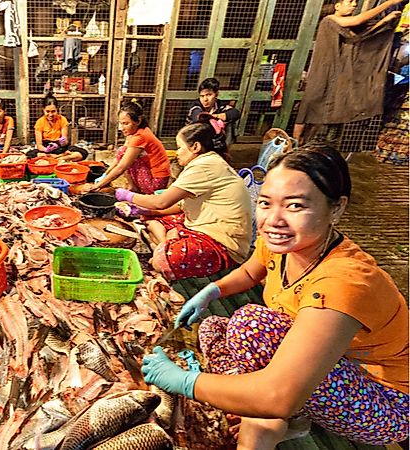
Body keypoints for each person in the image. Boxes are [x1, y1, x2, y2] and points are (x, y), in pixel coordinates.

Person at [141, 145, 409, 448]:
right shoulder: (284, 242)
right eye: (266, 203)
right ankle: (272, 407)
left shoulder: (344, 281)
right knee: (212, 326)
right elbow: (251, 273)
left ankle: (269, 416)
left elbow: (277, 396)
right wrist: (212, 291)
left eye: (295, 206)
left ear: (336, 208)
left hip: (382, 400)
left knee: (250, 325)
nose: (274, 220)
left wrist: (186, 383)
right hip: (324, 365)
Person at [113, 118, 251, 280]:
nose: (177, 152)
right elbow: (180, 205)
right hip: (202, 224)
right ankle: (167, 240)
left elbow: (161, 202)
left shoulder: (204, 166)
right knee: (149, 216)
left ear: (196, 147)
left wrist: (129, 196)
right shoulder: (209, 162)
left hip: (223, 241)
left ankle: (164, 245)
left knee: (161, 263)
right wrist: (146, 210)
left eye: (180, 147)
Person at [293, 0, 404, 146]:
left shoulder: (346, 27)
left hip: (336, 74)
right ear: (337, 6)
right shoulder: (329, 20)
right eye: (349, 2)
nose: (353, 5)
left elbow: (360, 38)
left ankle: (320, 144)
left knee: (329, 108)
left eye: (354, 3)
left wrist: (384, 21)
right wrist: (388, 3)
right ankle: (294, 143)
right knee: (310, 105)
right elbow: (360, 19)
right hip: (323, 71)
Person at [84, 100, 171, 194]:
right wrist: (105, 174)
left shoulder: (140, 136)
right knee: (122, 151)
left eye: (125, 123)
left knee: (123, 153)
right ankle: (133, 187)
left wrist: (98, 185)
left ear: (138, 120)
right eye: (120, 123)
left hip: (156, 181)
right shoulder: (134, 133)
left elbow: (121, 167)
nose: (121, 128)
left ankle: (137, 190)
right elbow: (118, 160)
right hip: (149, 173)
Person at [186, 77, 240, 155]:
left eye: (209, 95)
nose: (205, 99)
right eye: (202, 96)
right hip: (195, 141)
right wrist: (217, 119)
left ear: (216, 94)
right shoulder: (195, 106)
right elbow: (201, 119)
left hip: (214, 140)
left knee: (230, 124)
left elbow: (235, 113)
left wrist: (216, 116)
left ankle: (223, 151)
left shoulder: (220, 105)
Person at [27, 95, 87, 162]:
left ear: (57, 109)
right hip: (47, 148)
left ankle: (56, 159)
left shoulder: (62, 119)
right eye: (47, 111)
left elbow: (65, 141)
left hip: (60, 148)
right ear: (43, 109)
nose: (50, 115)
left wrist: (62, 142)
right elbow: (39, 145)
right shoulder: (39, 122)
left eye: (53, 111)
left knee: (83, 152)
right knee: (30, 154)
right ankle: (61, 158)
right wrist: (46, 150)